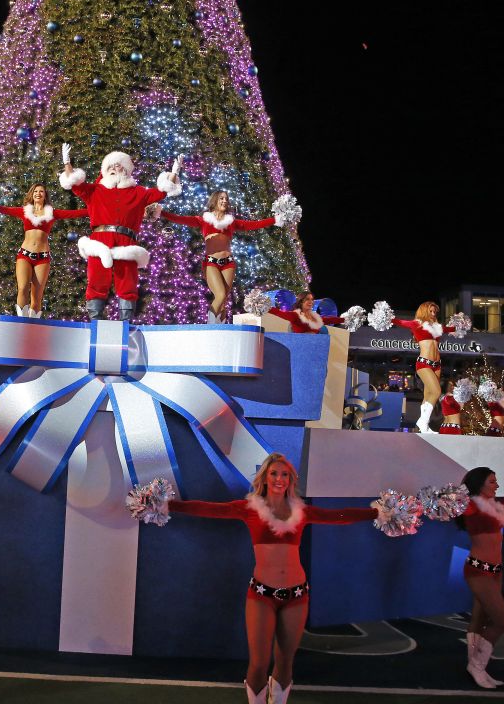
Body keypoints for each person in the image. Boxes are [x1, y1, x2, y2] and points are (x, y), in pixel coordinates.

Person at [162, 453, 379, 704]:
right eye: (274, 473)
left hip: (296, 595)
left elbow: (339, 516)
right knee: (259, 663)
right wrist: (168, 505)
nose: (279, 479)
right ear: (264, 478)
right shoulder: (249, 509)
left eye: (284, 474)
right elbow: (206, 509)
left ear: (290, 480)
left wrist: (377, 513)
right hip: (262, 595)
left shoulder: (302, 511)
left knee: (286, 660)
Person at [60, 144, 181, 321]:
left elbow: (161, 192)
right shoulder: (94, 191)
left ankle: (125, 322)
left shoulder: (138, 192)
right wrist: (67, 163)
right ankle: (96, 320)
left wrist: (174, 173)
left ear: (126, 170)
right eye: (110, 167)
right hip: (100, 240)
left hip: (126, 241)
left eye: (118, 166)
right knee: (96, 280)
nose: (114, 169)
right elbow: (75, 184)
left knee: (127, 282)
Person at [159, 191, 279, 323]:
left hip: (228, 263)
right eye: (221, 198)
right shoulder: (203, 220)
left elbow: (255, 224)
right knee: (220, 294)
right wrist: (161, 212)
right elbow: (179, 218)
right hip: (211, 262)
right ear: (215, 200)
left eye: (226, 199)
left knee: (223, 301)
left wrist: (275, 220)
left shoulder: (231, 222)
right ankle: (211, 327)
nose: (225, 201)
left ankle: (221, 328)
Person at [454, 466, 504, 689]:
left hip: (496, 570)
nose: (497, 485)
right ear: (479, 484)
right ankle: (476, 665)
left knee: (480, 618)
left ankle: (476, 665)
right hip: (478, 570)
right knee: (502, 621)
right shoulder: (471, 506)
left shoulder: (494, 504)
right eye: (492, 482)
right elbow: (453, 507)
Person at [0, 184, 87, 318]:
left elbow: (75, 213)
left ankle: (32, 325)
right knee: (22, 288)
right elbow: (3, 209)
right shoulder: (24, 211)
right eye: (35, 191)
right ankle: (21, 321)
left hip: (43, 258)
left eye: (41, 191)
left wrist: (99, 209)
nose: (38, 193)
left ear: (45, 195)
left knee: (37, 297)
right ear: (32, 194)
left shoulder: (52, 213)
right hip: (25, 255)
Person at [391, 302, 457, 433]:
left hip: (437, 365)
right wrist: (387, 318)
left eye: (435, 312)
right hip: (424, 363)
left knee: (427, 395)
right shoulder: (417, 324)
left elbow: (451, 329)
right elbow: (400, 322)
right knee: (436, 392)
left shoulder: (438, 327)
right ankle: (423, 421)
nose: (433, 314)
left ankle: (424, 427)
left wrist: (460, 325)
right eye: (430, 311)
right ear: (424, 311)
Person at [267, 292, 346, 333]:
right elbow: (279, 313)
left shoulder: (315, 317)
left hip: (317, 350)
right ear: (301, 302)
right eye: (307, 299)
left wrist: (343, 319)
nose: (311, 302)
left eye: (312, 299)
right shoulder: (295, 315)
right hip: (302, 351)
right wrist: (265, 306)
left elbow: (328, 320)